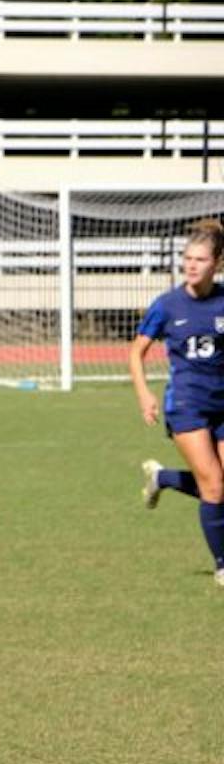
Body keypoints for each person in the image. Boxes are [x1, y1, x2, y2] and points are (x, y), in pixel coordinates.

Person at [128, 218, 224, 586]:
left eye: (200, 259)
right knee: (214, 485)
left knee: (220, 486)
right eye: (187, 258)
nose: (191, 265)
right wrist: (144, 394)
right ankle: (221, 565)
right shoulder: (167, 305)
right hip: (187, 403)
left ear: (217, 263)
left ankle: (162, 477)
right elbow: (136, 352)